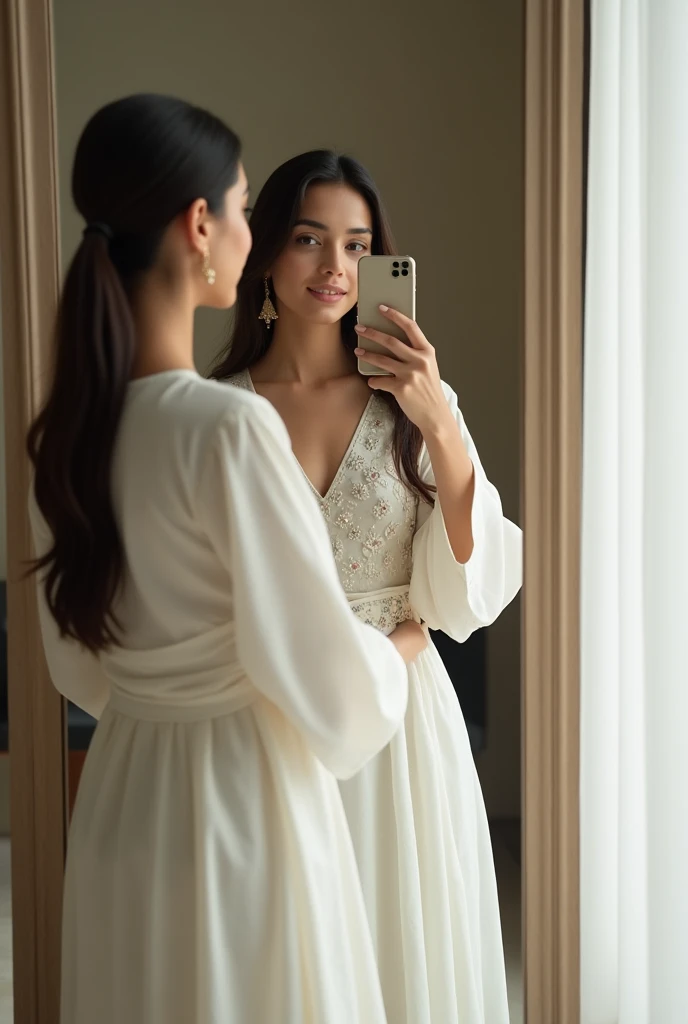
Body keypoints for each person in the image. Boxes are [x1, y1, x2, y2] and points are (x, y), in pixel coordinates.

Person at [28, 99, 421, 1024]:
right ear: (200, 227)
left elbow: (76, 664)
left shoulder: (72, 433)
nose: (249, 236)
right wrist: (399, 646)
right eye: (246, 209)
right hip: (243, 805)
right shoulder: (229, 426)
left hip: (125, 796)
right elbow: (328, 682)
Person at [214, 150, 523, 1024]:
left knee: (399, 955)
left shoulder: (414, 404)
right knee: (278, 961)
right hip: (269, 715)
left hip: (398, 727)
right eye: (310, 239)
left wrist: (441, 423)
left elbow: (467, 594)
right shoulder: (220, 409)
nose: (335, 267)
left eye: (358, 245)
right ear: (266, 251)